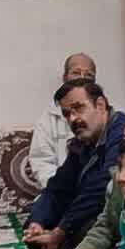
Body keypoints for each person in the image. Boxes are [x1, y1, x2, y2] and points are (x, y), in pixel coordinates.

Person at [23, 78, 125, 249]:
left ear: (100, 105)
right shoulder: (83, 141)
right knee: (35, 225)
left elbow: (100, 190)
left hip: (116, 214)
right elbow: (57, 187)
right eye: (67, 114)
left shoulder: (124, 133)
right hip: (84, 212)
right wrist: (37, 223)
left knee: (86, 226)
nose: (73, 119)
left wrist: (61, 230)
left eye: (78, 108)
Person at [30, 53, 98, 185]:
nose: (82, 78)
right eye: (76, 73)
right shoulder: (48, 119)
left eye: (89, 75)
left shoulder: (106, 113)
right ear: (65, 77)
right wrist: (63, 187)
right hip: (61, 187)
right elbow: (42, 163)